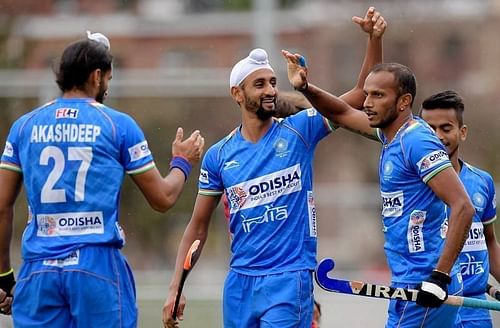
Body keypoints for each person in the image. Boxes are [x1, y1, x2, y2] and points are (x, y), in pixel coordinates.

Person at [163, 7, 387, 328]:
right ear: (237, 94)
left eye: (272, 82)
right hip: (239, 283)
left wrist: (373, 40)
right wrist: (176, 288)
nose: (270, 90)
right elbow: (197, 227)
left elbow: (359, 94)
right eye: (259, 84)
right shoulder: (219, 156)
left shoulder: (300, 130)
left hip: (288, 279)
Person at [0, 32, 204, 327]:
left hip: (38, 269)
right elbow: (163, 199)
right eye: (108, 79)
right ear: (96, 76)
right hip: (95, 266)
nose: (108, 87)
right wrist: (182, 162)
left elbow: (3, 207)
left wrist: (4, 276)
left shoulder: (24, 126)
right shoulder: (116, 124)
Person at [281, 56, 475, 326]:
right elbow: (341, 113)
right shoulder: (390, 134)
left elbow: (463, 206)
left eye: (378, 95)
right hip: (408, 282)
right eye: (368, 94)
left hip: (423, 285)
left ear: (404, 102)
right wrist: (305, 87)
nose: (367, 102)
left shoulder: (416, 141)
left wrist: (439, 277)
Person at [419, 90, 500, 328]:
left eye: (446, 128)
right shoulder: (412, 185)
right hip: (431, 306)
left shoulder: (482, 181)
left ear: (461, 132)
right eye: (429, 129)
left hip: (475, 308)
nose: (437, 136)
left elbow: (490, 242)